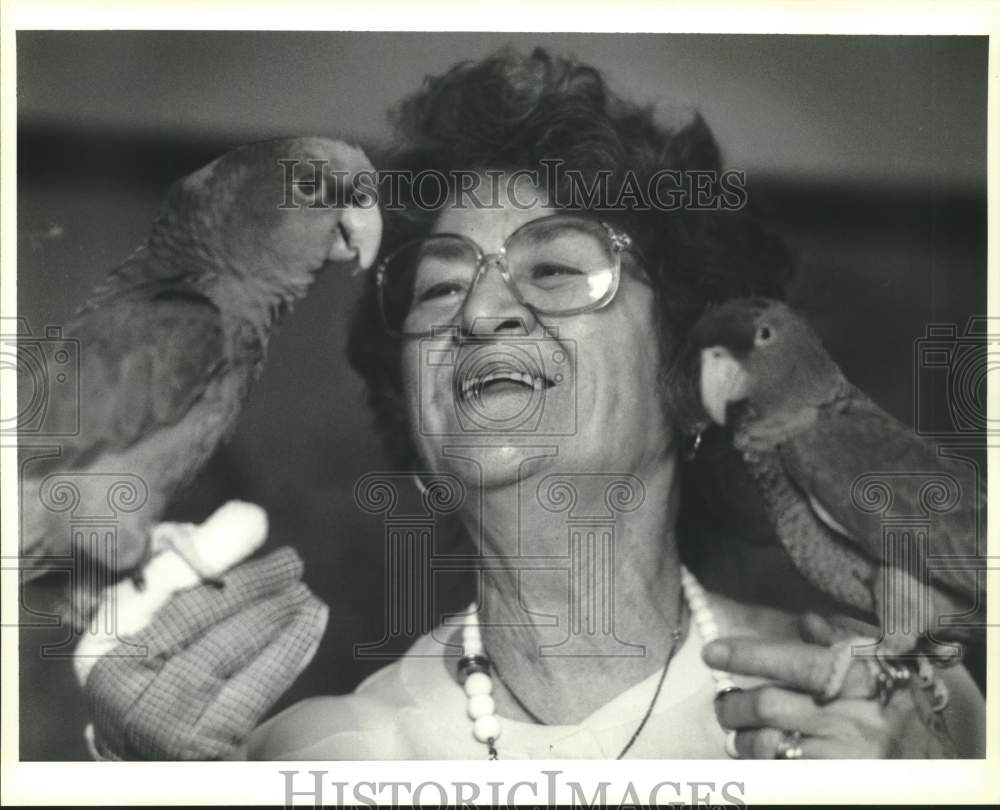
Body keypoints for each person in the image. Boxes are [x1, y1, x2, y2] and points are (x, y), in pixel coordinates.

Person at [82, 47, 985, 761]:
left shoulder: (903, 712)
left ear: (693, 374)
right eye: (437, 291)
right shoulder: (300, 757)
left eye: (556, 269)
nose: (479, 312)